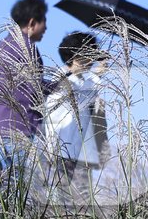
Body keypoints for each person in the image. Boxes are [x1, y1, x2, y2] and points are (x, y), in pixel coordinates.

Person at [34, 31, 109, 204]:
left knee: (82, 203)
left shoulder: (84, 80)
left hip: (80, 154)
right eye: (90, 53)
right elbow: (75, 88)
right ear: (77, 56)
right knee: (63, 202)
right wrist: (97, 75)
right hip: (60, 152)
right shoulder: (59, 78)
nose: (92, 59)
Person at [0, 0, 53, 176]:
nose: (46, 28)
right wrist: (62, 82)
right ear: (32, 22)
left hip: (2, 129)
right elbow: (35, 88)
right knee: (22, 191)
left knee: (5, 190)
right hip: (23, 129)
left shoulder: (0, 46)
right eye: (44, 22)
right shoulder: (27, 47)